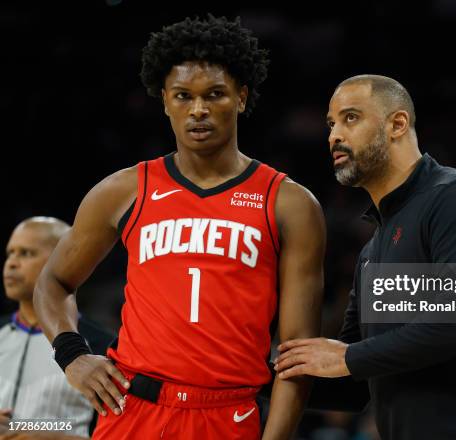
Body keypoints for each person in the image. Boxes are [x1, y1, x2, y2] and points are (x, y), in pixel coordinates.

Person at [33, 15, 325, 440]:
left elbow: (296, 354)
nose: (199, 109)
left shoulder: (290, 203)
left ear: (242, 98)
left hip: (228, 413)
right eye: (183, 96)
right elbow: (53, 281)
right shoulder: (124, 189)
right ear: (165, 102)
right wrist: (73, 355)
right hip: (132, 408)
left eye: (215, 95)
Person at [274, 75, 456, 439]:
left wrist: (346, 357)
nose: (334, 136)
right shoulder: (372, 252)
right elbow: (353, 383)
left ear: (398, 124)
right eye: (330, 124)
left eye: (351, 118)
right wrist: (244, 377)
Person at [1, 217, 114, 439]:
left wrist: (40, 434)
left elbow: (117, 433)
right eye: (10, 253)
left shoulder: (103, 346)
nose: (11, 263)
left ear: (63, 262)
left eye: (26, 253)